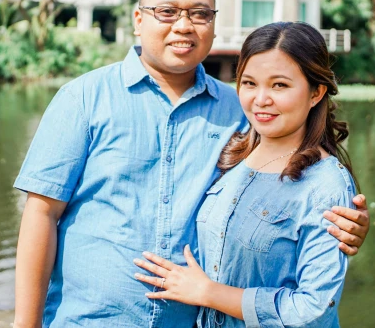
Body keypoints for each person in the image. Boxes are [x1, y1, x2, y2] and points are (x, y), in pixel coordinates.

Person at [13, 0, 369, 328]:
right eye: (166, 11)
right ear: (139, 19)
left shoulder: (239, 111)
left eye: (199, 13)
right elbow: (41, 213)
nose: (183, 25)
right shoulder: (83, 99)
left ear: (213, 24)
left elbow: (295, 181)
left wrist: (339, 226)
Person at [134, 22, 356, 328]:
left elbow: (313, 309)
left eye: (280, 85)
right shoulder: (231, 154)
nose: (261, 99)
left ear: (316, 92)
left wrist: (208, 293)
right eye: (249, 83)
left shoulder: (325, 185)